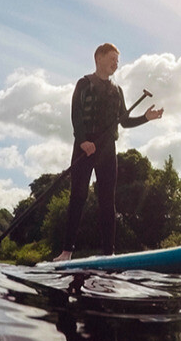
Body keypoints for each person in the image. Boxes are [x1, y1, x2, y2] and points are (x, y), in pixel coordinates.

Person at [53, 43, 163, 262]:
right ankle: (66, 252)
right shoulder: (83, 84)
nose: (116, 64)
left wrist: (145, 118)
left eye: (117, 60)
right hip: (84, 148)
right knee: (78, 197)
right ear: (99, 58)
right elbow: (75, 115)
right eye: (112, 58)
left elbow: (124, 122)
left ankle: (108, 253)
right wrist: (83, 140)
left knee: (107, 200)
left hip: (106, 150)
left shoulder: (117, 90)